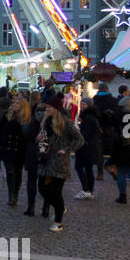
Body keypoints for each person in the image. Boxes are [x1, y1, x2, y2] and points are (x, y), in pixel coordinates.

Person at [36, 94, 84, 232]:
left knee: (56, 192)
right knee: (43, 189)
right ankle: (60, 208)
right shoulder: (45, 121)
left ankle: (58, 222)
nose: (47, 109)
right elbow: (43, 139)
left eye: (49, 107)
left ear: (56, 109)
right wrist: (39, 139)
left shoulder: (66, 123)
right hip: (45, 159)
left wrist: (66, 149)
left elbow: (79, 140)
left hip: (59, 162)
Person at [0, 97, 29, 208]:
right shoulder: (6, 115)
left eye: (17, 103)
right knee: (10, 171)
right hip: (8, 148)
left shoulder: (26, 118)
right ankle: (11, 196)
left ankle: (15, 194)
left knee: (18, 172)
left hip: (20, 149)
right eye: (14, 102)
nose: (14, 104)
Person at [74, 97, 101, 199]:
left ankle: (86, 189)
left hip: (86, 147)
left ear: (89, 105)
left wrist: (77, 130)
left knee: (79, 167)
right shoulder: (90, 116)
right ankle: (89, 191)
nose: (81, 106)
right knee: (88, 169)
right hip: (91, 147)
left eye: (84, 104)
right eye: (81, 104)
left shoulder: (88, 118)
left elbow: (85, 134)